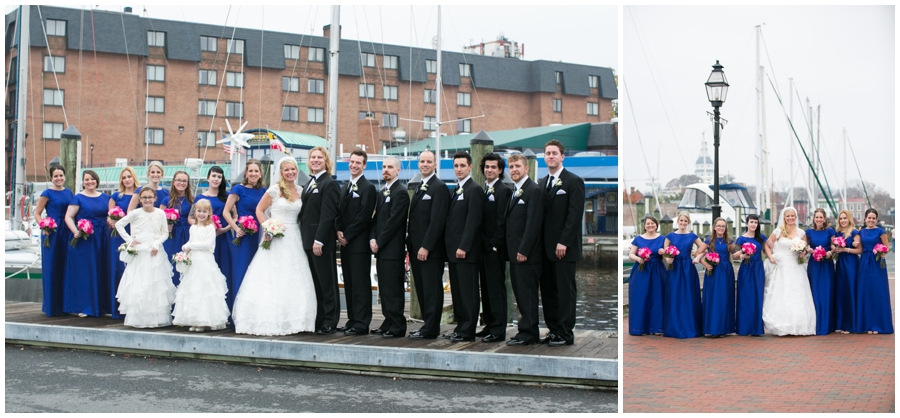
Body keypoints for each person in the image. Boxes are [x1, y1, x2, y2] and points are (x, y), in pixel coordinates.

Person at [232, 157, 317, 335]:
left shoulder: (301, 190)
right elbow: (259, 210)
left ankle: (296, 318)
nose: (290, 172)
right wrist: (267, 227)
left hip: (294, 236)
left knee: (294, 275)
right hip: (276, 236)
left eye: (293, 169)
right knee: (271, 275)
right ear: (281, 172)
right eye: (286, 170)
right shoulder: (275, 189)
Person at [538, 139, 585, 347]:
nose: (551, 156)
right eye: (548, 153)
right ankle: (553, 330)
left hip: (564, 249)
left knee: (565, 291)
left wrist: (563, 242)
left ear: (562, 156)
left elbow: (575, 215)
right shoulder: (541, 183)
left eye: (554, 153)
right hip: (544, 249)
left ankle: (566, 333)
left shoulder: (573, 181)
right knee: (548, 291)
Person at [114, 187, 175, 328]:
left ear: (155, 198)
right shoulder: (135, 213)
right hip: (140, 250)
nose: (147, 200)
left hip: (155, 250)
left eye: (150, 197)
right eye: (144, 197)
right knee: (139, 282)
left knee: (155, 282)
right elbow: (119, 224)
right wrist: (129, 240)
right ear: (140, 199)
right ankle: (139, 318)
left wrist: (156, 244)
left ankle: (157, 317)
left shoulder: (160, 213)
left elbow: (165, 233)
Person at [442, 151, 485, 342]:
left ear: (470, 167)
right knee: (457, 292)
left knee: (468, 292)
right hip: (453, 251)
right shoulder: (456, 189)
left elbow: (473, 220)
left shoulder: (474, 189)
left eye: (462, 165)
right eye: (456, 166)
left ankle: (468, 330)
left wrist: (464, 246)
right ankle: (460, 326)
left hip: (465, 252)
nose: (458, 169)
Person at [407, 150, 450, 340]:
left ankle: (432, 328)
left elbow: (437, 221)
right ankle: (426, 325)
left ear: (435, 165)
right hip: (416, 249)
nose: (425, 164)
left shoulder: (439, 187)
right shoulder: (420, 187)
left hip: (429, 250)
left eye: (428, 161)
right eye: (422, 161)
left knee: (432, 290)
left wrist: (426, 246)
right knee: (423, 289)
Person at [298, 146, 341, 335]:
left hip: (320, 242)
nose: (315, 160)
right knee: (315, 282)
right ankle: (320, 317)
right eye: (313, 157)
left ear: (326, 161)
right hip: (307, 241)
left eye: (319, 157)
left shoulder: (329, 183)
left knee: (327, 282)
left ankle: (330, 320)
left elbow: (328, 214)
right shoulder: (310, 182)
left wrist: (320, 240)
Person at [171, 199, 230, 332]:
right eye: (199, 211)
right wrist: (185, 252)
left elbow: (207, 245)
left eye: (205, 211)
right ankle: (195, 319)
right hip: (194, 261)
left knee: (204, 288)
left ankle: (204, 321)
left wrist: (190, 245)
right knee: (194, 289)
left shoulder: (210, 227)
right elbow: (191, 241)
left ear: (209, 213)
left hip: (205, 261)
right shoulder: (193, 227)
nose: (201, 214)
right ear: (195, 212)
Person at [335, 150, 377, 336]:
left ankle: (361, 323)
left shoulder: (368, 187)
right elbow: (339, 212)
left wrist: (348, 235)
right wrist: (338, 232)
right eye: (352, 162)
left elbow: (364, 216)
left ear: (364, 165)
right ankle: (352, 319)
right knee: (350, 283)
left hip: (358, 244)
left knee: (360, 284)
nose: (354, 165)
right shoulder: (345, 186)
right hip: (345, 243)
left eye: (358, 162)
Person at [504, 154, 544, 346]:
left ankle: (529, 333)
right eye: (510, 166)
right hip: (514, 254)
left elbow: (533, 223)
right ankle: (525, 330)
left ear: (526, 168)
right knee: (520, 295)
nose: (514, 169)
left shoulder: (533, 191)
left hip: (526, 255)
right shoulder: (516, 190)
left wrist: (524, 250)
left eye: (517, 166)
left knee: (527, 295)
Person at [369, 157, 410, 338]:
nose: (386, 170)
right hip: (381, 249)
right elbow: (376, 219)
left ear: (398, 171)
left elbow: (394, 222)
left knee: (393, 289)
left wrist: (380, 241)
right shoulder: (382, 192)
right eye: (384, 167)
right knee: (384, 288)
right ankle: (388, 320)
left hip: (392, 249)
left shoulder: (400, 192)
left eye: (390, 167)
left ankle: (397, 325)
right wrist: (372, 238)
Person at [63, 170, 113, 317]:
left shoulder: (106, 197)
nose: (89, 182)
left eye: (92, 179)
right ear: (83, 182)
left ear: (96, 181)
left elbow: (111, 215)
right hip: (86, 238)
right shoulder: (78, 198)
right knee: (85, 272)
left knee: (101, 269)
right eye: (86, 180)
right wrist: (75, 231)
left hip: (103, 238)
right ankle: (84, 306)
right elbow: (68, 216)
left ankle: (102, 306)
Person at [761, 207, 816, 336]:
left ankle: (798, 325)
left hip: (796, 266)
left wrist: (803, 253)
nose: (790, 218)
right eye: (788, 216)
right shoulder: (778, 231)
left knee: (797, 293)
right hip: (782, 266)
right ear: (784, 218)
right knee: (782, 292)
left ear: (795, 217)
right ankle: (781, 325)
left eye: (792, 216)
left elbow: (803, 251)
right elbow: (766, 245)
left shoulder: (801, 233)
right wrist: (770, 257)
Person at [223, 159, 266, 318]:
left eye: (256, 171)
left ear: (260, 173)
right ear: (246, 173)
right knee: (241, 272)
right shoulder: (238, 189)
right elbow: (226, 212)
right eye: (251, 171)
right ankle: (238, 316)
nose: (253, 174)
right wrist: (236, 228)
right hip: (243, 238)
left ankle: (255, 314)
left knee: (257, 274)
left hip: (259, 236)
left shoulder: (264, 191)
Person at [476, 153, 512, 343]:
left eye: (493, 167)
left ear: (500, 170)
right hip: (482, 248)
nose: (489, 170)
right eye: (487, 167)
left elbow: (502, 222)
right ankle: (489, 324)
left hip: (493, 249)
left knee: (496, 289)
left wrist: (495, 246)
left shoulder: (503, 191)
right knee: (487, 289)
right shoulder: (483, 189)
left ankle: (498, 329)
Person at [33, 164, 74, 316]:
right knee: (52, 266)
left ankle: (66, 305)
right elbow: (37, 213)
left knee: (66, 266)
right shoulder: (47, 193)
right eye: (55, 176)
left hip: (67, 230)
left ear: (64, 176)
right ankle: (52, 306)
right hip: (53, 231)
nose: (58, 178)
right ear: (51, 177)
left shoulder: (69, 193)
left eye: (61, 175)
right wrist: (43, 225)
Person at [660, 211, 708, 338]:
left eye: (685, 221)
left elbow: (705, 249)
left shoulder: (692, 236)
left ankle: (690, 326)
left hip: (688, 267)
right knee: (674, 295)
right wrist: (667, 259)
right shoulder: (670, 236)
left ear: (688, 222)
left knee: (689, 295)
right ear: (678, 221)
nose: (683, 223)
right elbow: (665, 252)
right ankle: (674, 327)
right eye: (681, 220)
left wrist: (698, 258)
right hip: (674, 268)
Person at [107, 166, 140, 319]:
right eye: (124, 177)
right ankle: (116, 308)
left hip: (135, 235)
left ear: (134, 178)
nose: (127, 180)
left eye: (129, 176)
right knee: (118, 268)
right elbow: (109, 216)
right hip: (118, 235)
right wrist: (111, 220)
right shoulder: (116, 196)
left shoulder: (140, 194)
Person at [855, 209, 894, 334]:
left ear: (876, 219)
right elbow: (859, 247)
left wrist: (882, 251)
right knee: (865, 292)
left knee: (878, 292)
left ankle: (878, 324)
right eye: (869, 218)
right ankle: (866, 324)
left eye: (873, 218)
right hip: (864, 263)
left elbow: (886, 247)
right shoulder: (861, 232)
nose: (871, 220)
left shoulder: (880, 232)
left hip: (877, 262)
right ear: (865, 218)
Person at [627, 216, 666, 336]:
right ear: (644, 226)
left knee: (657, 298)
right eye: (648, 224)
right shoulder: (638, 239)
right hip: (641, 271)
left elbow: (669, 255)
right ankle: (640, 327)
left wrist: (663, 252)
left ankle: (656, 327)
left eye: (653, 223)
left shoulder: (663, 239)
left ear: (656, 225)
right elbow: (631, 254)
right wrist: (639, 258)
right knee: (641, 297)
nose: (650, 225)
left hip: (657, 271)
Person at [698, 217, 736, 337]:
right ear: (714, 227)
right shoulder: (709, 240)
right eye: (718, 226)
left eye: (723, 226)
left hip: (726, 271)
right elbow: (697, 253)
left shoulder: (729, 241)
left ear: (725, 228)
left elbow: (735, 254)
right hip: (714, 271)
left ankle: (725, 327)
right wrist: (706, 264)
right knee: (714, 298)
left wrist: (747, 251)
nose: (721, 228)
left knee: (725, 298)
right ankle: (713, 327)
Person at [732, 214, 768, 336]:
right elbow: (734, 255)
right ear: (747, 223)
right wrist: (742, 255)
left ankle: (756, 328)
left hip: (758, 268)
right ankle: (743, 328)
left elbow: (769, 249)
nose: (753, 224)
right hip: (746, 268)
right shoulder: (741, 239)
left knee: (758, 295)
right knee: (744, 296)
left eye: (755, 222)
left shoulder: (761, 238)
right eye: (751, 222)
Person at [193, 166, 231, 275]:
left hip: (223, 237)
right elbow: (191, 218)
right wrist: (205, 227)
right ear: (208, 178)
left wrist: (224, 229)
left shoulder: (227, 196)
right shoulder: (199, 198)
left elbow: (235, 217)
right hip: (204, 238)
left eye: (219, 177)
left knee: (223, 266)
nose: (216, 179)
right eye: (213, 176)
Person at [805, 208, 837, 335]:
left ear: (824, 218)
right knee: (814, 292)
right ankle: (815, 324)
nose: (818, 219)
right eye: (816, 217)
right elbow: (805, 245)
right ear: (814, 218)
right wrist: (808, 249)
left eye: (821, 217)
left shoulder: (830, 231)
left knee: (827, 292)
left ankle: (827, 325)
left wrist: (830, 252)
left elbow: (835, 245)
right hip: (814, 265)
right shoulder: (809, 232)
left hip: (826, 264)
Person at [161, 171, 194, 286]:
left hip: (187, 234)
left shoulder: (192, 200)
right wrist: (167, 225)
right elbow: (159, 220)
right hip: (172, 235)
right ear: (174, 182)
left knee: (188, 263)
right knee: (172, 263)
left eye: (184, 181)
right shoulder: (167, 200)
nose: (181, 183)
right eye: (179, 180)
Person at [832, 210, 861, 334]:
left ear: (849, 219)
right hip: (840, 265)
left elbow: (860, 250)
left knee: (850, 290)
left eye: (845, 218)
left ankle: (851, 324)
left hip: (851, 264)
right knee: (841, 292)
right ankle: (841, 323)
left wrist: (846, 249)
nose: (843, 220)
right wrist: (836, 249)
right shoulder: (837, 233)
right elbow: (833, 246)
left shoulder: (854, 232)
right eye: (841, 218)